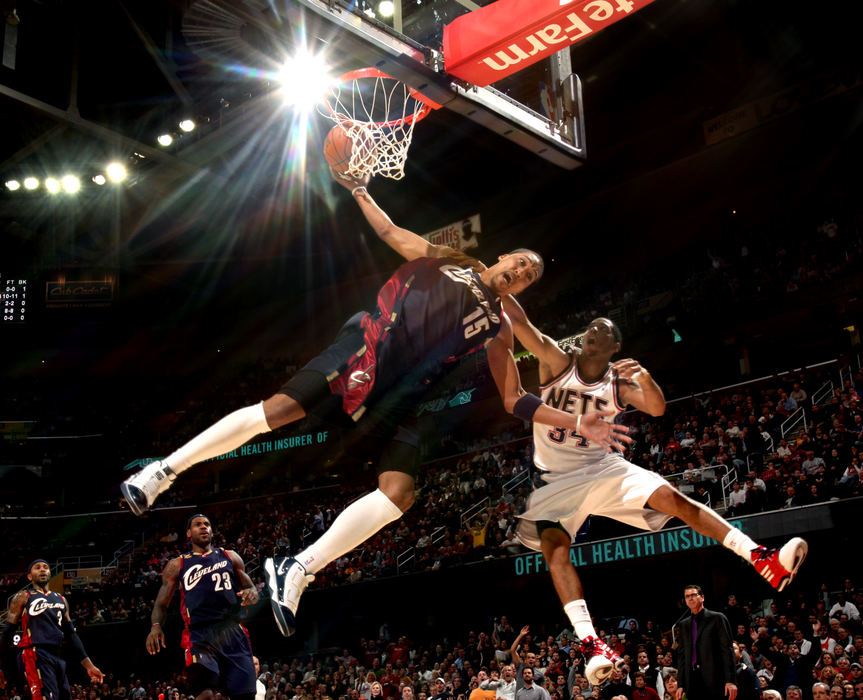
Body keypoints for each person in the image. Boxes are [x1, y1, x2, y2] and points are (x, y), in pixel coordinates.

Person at [122, 170, 629, 637]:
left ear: (523, 289)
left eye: (529, 274)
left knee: (400, 492)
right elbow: (393, 235)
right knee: (278, 411)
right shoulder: (454, 261)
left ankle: (298, 568)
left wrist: (580, 420)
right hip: (369, 345)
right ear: (499, 259)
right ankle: (163, 471)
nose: (519, 271)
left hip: (405, 392)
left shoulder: (500, 326)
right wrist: (359, 188)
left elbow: (515, 398)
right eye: (518, 262)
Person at [500, 296, 808, 684]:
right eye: (590, 327)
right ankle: (591, 642)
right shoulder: (556, 360)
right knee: (556, 550)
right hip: (555, 478)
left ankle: (762, 557)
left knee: (673, 499)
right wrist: (493, 283)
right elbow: (522, 322)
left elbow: (658, 408)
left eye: (604, 330)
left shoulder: (619, 383)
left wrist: (644, 377)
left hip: (601, 466)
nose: (593, 331)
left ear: (615, 348)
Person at [146, 514, 259, 700]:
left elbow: (250, 588)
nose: (204, 527)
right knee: (205, 693)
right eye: (198, 525)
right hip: (200, 635)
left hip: (233, 632)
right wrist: (156, 627)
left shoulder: (230, 556)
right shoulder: (177, 564)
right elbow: (161, 603)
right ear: (189, 533)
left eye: (207, 524)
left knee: (245, 696)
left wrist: (252, 593)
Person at [1, 560, 104, 700]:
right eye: (37, 568)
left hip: (57, 655)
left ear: (50, 573)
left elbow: (71, 635)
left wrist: (89, 666)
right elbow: (7, 632)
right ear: (30, 576)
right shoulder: (23, 597)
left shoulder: (61, 599)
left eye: (46, 567)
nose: (42, 570)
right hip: (34, 653)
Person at [674, 585, 736, 700]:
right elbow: (682, 656)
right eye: (687, 596)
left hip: (715, 678)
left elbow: (727, 650)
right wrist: (681, 684)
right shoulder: (683, 625)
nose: (690, 598)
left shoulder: (717, 618)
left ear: (702, 597)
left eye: (693, 595)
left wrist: (730, 680)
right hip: (692, 680)